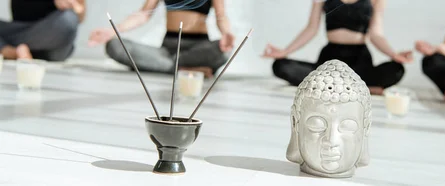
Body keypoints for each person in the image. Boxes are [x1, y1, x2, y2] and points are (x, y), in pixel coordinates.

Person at [263, 0, 413, 95]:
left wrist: (394, 55)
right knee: (281, 65)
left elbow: (376, 35)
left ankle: (330, 86)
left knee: (396, 69)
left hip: (359, 59)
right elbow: (311, 28)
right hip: (330, 57)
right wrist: (285, 51)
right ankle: (359, 87)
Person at [88, 0, 234, 77]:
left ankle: (172, 67)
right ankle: (185, 70)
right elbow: (144, 13)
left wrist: (226, 34)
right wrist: (113, 30)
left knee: (224, 52)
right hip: (167, 49)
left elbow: (221, 16)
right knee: (114, 45)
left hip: (197, 49)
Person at [0, 0, 85, 61]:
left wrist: (72, 5)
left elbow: (80, 15)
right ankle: (14, 53)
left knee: (68, 19)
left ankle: (16, 52)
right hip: (18, 33)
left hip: (52, 44)